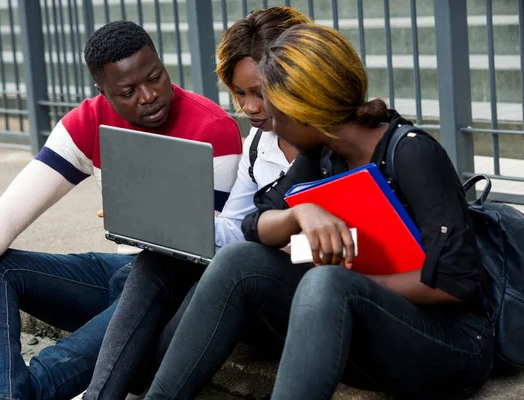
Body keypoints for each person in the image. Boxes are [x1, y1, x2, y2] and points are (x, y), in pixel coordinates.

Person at [144, 24, 494, 400]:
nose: (269, 124)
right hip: (367, 332)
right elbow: (252, 225)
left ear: (304, 113)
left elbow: (457, 283)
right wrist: (300, 214)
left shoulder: (412, 154)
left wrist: (352, 284)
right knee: (238, 261)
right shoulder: (322, 153)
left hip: (452, 345)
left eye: (276, 112)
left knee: (325, 281)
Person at [0, 20, 242, 400]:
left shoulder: (211, 128)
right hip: (119, 274)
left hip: (169, 296)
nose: (148, 96)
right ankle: (1, 391)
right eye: (127, 91)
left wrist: (150, 219)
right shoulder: (88, 121)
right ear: (103, 92)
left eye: (155, 77)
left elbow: (203, 252)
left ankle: (1, 393)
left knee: (47, 374)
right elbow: (9, 212)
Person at [82, 8, 309, 399]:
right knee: (160, 257)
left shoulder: (335, 145)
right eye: (240, 93)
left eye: (260, 92)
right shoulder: (258, 143)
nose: (249, 107)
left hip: (304, 299)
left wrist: (286, 239)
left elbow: (360, 245)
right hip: (250, 294)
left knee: (236, 265)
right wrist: (164, 216)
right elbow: (234, 229)